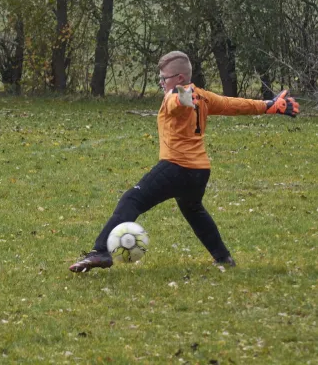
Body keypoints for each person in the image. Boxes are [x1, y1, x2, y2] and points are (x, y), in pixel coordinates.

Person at [69, 51, 299, 272]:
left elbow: (176, 101)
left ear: (179, 78)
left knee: (133, 199)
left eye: (163, 77)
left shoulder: (175, 96)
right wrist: (270, 106)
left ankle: (100, 252)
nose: (161, 81)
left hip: (176, 168)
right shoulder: (203, 96)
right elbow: (233, 105)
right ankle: (223, 257)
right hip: (199, 171)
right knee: (193, 209)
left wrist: (181, 97)